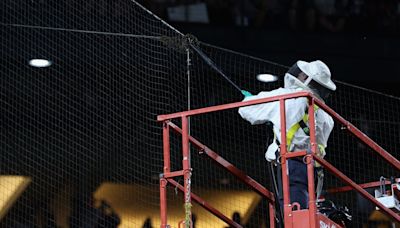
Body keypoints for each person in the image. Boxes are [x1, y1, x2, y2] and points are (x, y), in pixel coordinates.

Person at [238, 60, 336, 210]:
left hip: (291, 165)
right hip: (314, 172)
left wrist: (249, 99)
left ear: (306, 78)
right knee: (305, 211)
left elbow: (246, 110)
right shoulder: (326, 116)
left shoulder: (287, 97)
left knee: (292, 213)